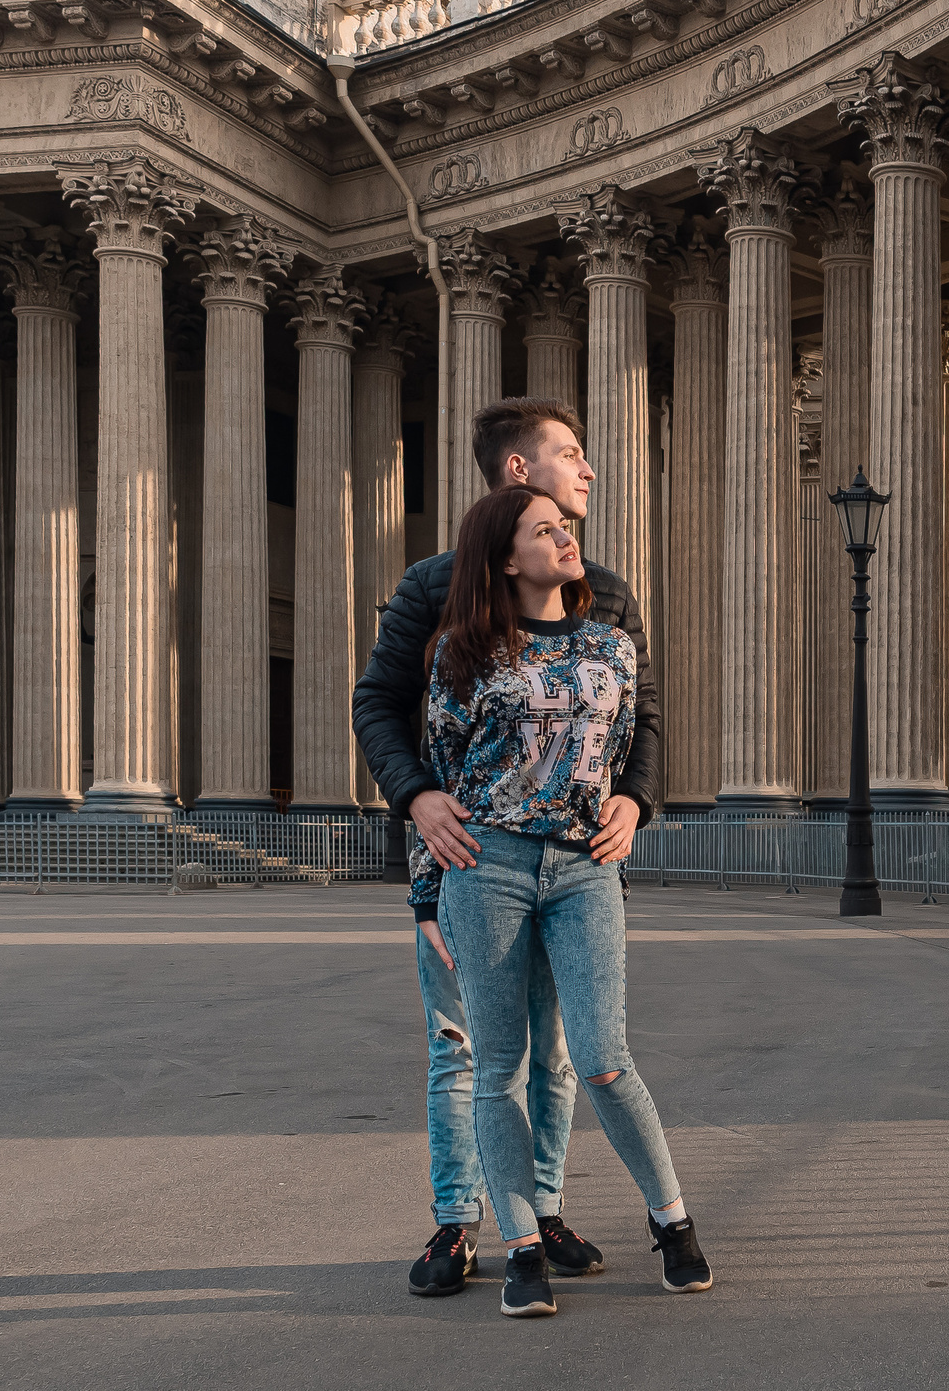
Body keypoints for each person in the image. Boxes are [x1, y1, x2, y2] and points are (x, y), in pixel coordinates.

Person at [352, 398, 662, 1297]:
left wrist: (637, 801)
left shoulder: (602, 592)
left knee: (559, 1053)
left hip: (575, 860)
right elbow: (379, 703)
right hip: (457, 854)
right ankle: (458, 1225)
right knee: (466, 1048)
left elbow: (644, 719)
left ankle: (541, 1208)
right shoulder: (430, 587)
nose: (588, 470)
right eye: (570, 454)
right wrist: (416, 798)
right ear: (518, 472)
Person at [412, 482, 709, 1317]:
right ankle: (522, 1250)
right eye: (545, 530)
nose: (566, 537)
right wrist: (427, 901)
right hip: (487, 865)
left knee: (604, 1056)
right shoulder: (460, 653)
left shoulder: (613, 646)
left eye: (566, 526)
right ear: (506, 558)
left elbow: (627, 748)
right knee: (497, 1072)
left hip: (584, 868)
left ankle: (674, 1224)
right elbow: (440, 785)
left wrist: (632, 806)